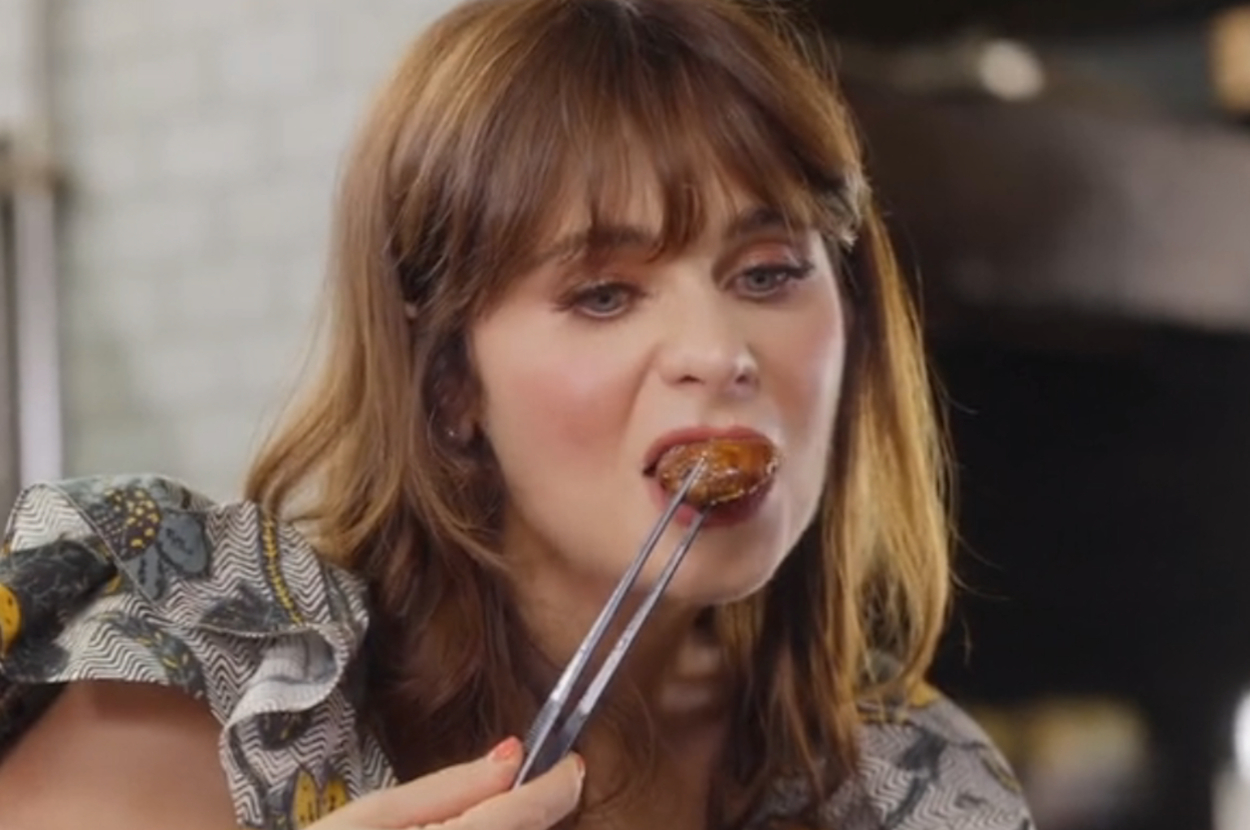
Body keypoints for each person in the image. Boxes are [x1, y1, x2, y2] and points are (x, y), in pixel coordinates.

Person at [0, 0, 1034, 827]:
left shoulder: (911, 780)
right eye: (602, 293)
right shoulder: (216, 686)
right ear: (448, 379)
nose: (720, 352)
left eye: (767, 273)